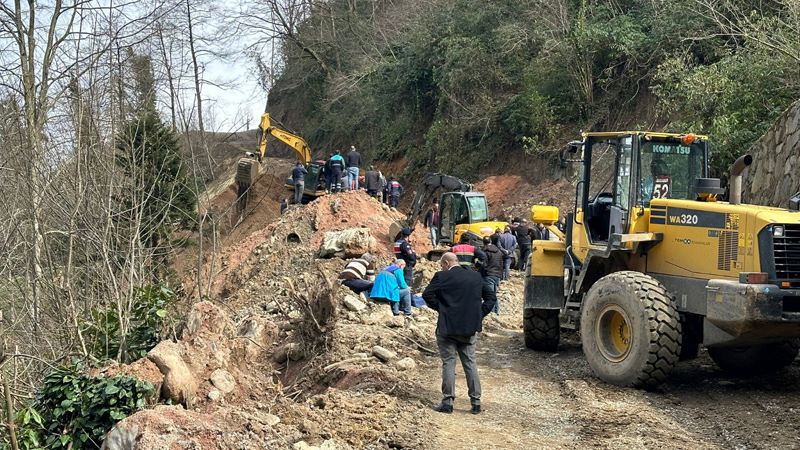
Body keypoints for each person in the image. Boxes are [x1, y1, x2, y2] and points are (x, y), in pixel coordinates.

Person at [422, 252, 496, 415]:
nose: (442, 268)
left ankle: (447, 403)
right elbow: (491, 297)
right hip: (469, 328)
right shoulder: (475, 277)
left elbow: (427, 295)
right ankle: (475, 403)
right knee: (470, 363)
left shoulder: (441, 277)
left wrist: (442, 309)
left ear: (447, 263)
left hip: (447, 327)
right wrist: (479, 314)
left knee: (449, 363)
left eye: (442, 265)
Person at [481, 236, 503, 314]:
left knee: (490, 296)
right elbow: (501, 264)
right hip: (497, 275)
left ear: (483, 243)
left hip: (488, 275)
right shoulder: (499, 251)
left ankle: (492, 313)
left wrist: (480, 274)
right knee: (494, 295)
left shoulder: (486, 252)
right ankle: (496, 312)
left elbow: (484, 265)